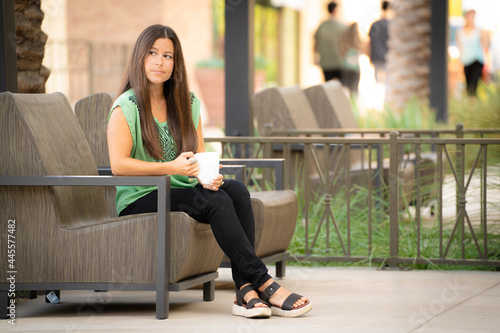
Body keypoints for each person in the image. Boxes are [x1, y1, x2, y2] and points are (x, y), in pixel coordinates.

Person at [107, 24, 312, 319]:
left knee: (235, 190)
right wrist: (171, 167)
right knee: (214, 201)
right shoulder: (125, 106)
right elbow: (119, 165)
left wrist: (206, 176)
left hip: (179, 190)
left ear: (175, 64)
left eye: (168, 55)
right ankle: (263, 281)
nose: (159, 62)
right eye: (152, 53)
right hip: (141, 197)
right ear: (139, 57)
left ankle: (244, 291)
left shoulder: (186, 103)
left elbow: (199, 158)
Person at [456, 9, 489, 96]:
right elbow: (460, 48)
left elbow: (486, 45)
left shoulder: (479, 31)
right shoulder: (460, 32)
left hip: (477, 60)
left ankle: (472, 100)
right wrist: (458, 63)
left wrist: (485, 35)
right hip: (466, 60)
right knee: (468, 83)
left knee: (473, 83)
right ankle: (471, 102)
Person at [314, 1, 347, 82]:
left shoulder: (322, 26)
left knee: (328, 86)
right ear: (335, 10)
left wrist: (315, 57)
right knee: (341, 87)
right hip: (340, 62)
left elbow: (316, 43)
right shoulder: (342, 26)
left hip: (326, 62)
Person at [368, 1, 390, 84]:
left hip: (376, 57)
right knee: (387, 83)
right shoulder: (392, 25)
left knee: (377, 82)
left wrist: (370, 57)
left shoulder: (375, 25)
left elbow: (369, 43)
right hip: (388, 57)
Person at [339, 22, 364, 95]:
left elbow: (341, 54)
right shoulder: (358, 42)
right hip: (355, 69)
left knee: (346, 88)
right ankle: (353, 104)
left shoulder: (344, 42)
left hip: (346, 68)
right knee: (354, 89)